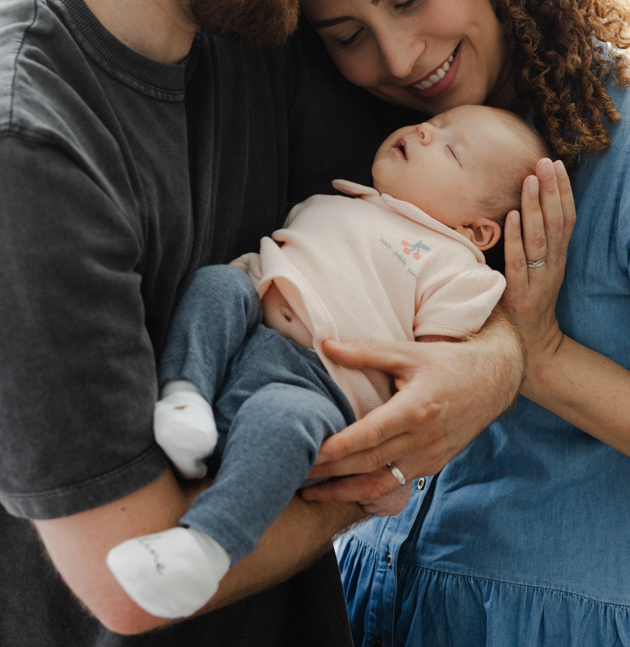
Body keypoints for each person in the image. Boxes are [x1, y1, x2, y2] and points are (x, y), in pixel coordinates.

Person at [0, 0, 442, 647]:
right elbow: (125, 575)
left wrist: (493, 367)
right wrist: (385, 470)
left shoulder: (249, 18)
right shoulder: (28, 141)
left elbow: (444, 218)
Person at [298, 0, 630, 645]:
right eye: (346, 33)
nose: (396, 59)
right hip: (377, 615)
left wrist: (538, 360)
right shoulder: (389, 156)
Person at [106, 104, 548, 620]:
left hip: (317, 388)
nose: (426, 131)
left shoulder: (458, 270)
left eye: (450, 149)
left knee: (282, 422)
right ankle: (185, 398)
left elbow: (434, 385)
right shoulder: (341, 198)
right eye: (437, 123)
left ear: (477, 232)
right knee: (217, 284)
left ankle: (202, 548)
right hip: (250, 326)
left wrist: (400, 473)